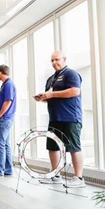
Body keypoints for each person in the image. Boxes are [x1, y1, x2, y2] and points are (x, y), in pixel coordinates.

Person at [34, 50, 85, 188]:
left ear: (64, 59)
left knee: (73, 147)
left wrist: (51, 95)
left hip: (70, 117)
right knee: (53, 147)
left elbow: (75, 91)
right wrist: (43, 98)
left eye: (57, 59)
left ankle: (79, 178)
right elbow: (52, 96)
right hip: (55, 118)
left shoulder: (71, 74)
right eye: (52, 60)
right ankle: (55, 175)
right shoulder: (51, 79)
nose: (54, 62)